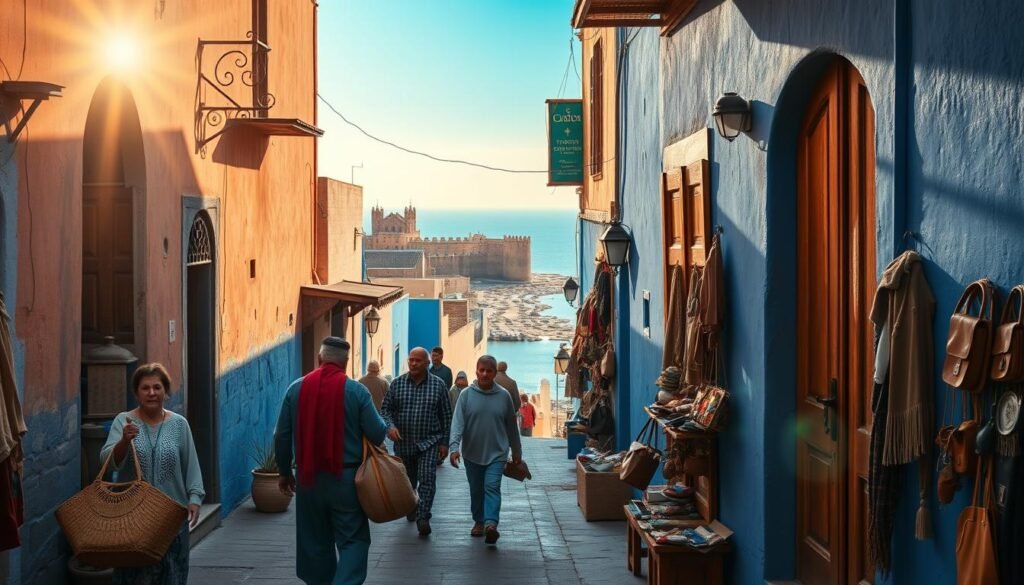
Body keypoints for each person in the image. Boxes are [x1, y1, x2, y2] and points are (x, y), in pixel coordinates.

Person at [274, 337, 398, 585]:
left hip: (309, 480)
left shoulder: (295, 389)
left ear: (320, 359)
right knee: (353, 539)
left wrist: (285, 472)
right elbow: (376, 432)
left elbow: (281, 435)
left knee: (314, 541)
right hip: (347, 480)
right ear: (346, 362)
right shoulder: (357, 391)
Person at [100, 363, 205, 585]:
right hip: (133, 522)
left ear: (165, 392)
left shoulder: (179, 424)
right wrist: (123, 441)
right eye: (145, 388)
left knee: (173, 577)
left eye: (157, 387)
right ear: (136, 393)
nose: (151, 393)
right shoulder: (124, 421)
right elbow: (109, 462)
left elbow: (191, 465)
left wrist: (195, 498)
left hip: (172, 520)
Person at [449, 355, 523, 545]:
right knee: (476, 490)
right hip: (472, 453)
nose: (484, 374)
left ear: (494, 373)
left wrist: (516, 450)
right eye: (481, 370)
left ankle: (491, 524)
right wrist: (454, 448)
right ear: (476, 371)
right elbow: (457, 423)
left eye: (489, 371)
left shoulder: (504, 396)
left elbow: (511, 425)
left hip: (497, 452)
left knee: (491, 486)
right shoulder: (466, 395)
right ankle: (479, 521)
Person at [381, 347, 453, 536]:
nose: (413, 363)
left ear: (427, 364)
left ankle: (423, 517)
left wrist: (445, 443)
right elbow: (385, 410)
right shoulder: (397, 384)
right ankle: (412, 505)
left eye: (417, 361)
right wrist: (390, 427)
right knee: (408, 481)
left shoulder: (438, 386)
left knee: (427, 479)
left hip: (429, 442)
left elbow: (446, 416)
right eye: (411, 360)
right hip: (404, 444)